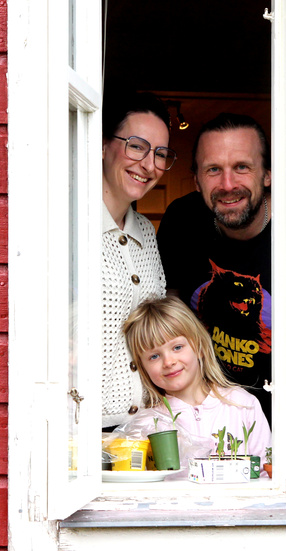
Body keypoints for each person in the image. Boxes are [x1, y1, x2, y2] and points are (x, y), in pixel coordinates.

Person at [156, 112, 286, 426]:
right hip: (197, 420)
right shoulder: (182, 221)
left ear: (268, 174)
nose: (227, 184)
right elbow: (166, 324)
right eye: (213, 170)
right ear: (196, 179)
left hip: (285, 424)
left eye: (241, 167)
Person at [101, 91, 176, 428]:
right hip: (80, 429)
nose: (149, 165)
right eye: (136, 145)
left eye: (160, 154)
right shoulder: (65, 224)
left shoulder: (145, 231)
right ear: (102, 146)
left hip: (143, 429)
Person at [123, 297, 272, 459]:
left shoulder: (243, 405)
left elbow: (266, 470)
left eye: (177, 347)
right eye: (154, 356)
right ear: (143, 369)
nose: (168, 362)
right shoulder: (147, 424)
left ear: (199, 347)